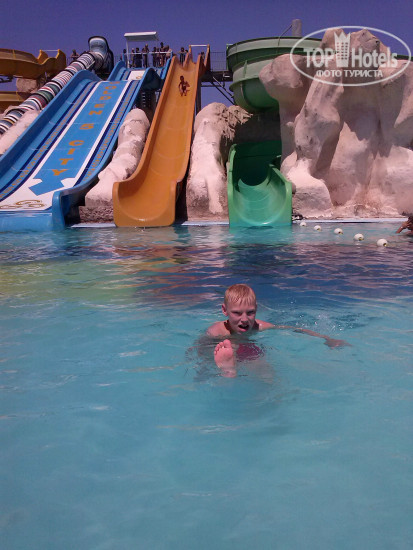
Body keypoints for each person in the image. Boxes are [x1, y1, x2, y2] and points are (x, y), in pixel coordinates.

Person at [207, 284, 349, 377]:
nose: (244, 319)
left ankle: (232, 369)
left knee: (267, 374)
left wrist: (327, 338)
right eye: (237, 313)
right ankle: (228, 368)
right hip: (225, 348)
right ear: (225, 310)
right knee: (218, 357)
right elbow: (201, 346)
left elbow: (294, 329)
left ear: (256, 309)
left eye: (250, 312)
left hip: (248, 351)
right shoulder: (217, 331)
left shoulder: (259, 326)